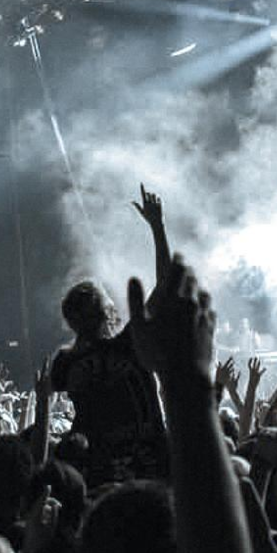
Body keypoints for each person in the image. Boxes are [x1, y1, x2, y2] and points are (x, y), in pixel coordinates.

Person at [49, 185, 171, 491]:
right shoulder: (129, 343)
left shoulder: (65, 364)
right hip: (150, 471)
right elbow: (166, 285)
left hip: (99, 479)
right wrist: (157, 228)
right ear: (107, 311)